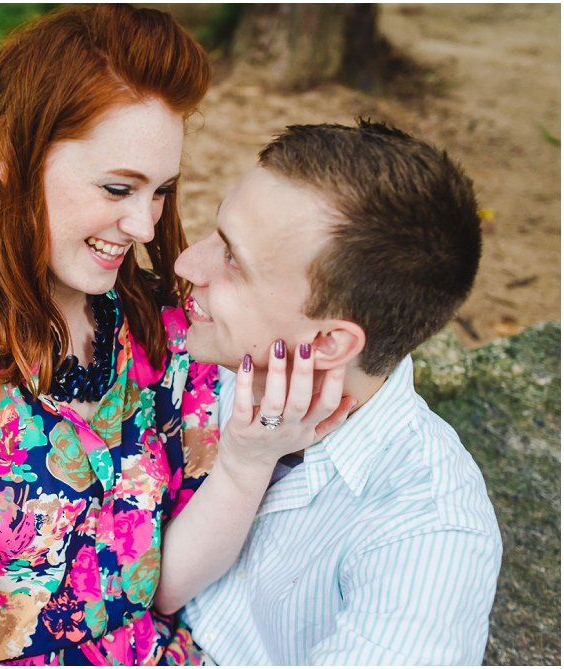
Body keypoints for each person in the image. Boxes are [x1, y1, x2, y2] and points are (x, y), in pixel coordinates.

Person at [0, 5, 348, 665]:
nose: (144, 225)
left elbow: (162, 590)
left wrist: (248, 459)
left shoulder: (165, 328)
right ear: (9, 156)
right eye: (119, 187)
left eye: (161, 191)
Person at [164, 121, 503, 665]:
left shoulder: (426, 535)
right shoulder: (203, 353)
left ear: (326, 342)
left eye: (232, 259)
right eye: (217, 233)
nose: (186, 265)